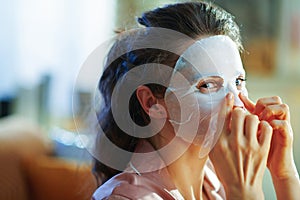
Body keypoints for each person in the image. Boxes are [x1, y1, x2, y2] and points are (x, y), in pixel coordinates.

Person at [91, 1, 300, 199]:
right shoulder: (125, 197)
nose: (236, 103)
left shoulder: (215, 178)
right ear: (151, 103)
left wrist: (284, 175)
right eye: (207, 85)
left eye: (238, 81)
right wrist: (243, 193)